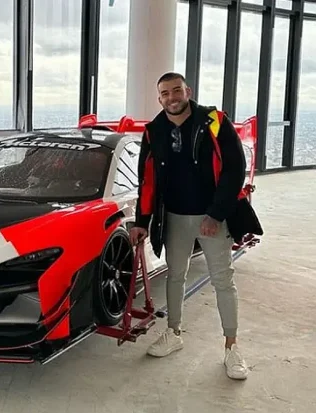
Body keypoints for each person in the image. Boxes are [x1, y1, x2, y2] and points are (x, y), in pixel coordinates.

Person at [129, 72, 249, 380]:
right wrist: (142, 222)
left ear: (188, 90)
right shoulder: (153, 131)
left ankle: (232, 348)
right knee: (175, 276)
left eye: (177, 90)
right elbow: (148, 180)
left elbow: (235, 169)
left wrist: (216, 215)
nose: (172, 97)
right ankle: (174, 333)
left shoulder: (214, 120)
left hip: (212, 218)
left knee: (223, 280)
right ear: (160, 99)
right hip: (174, 218)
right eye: (165, 93)